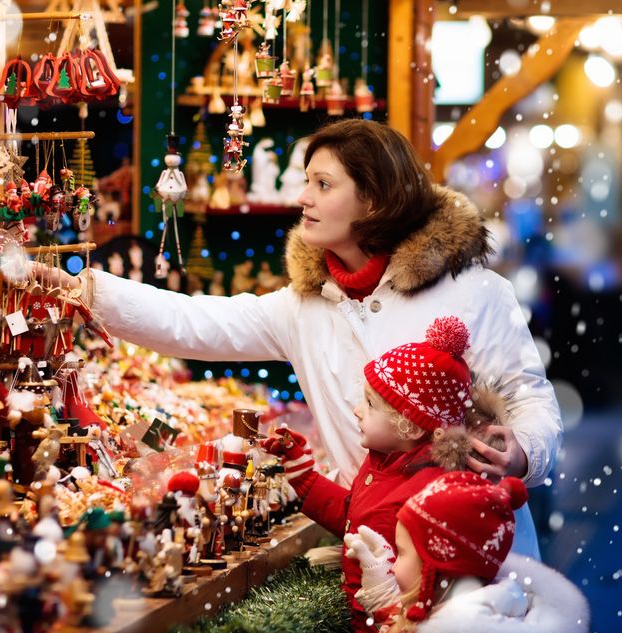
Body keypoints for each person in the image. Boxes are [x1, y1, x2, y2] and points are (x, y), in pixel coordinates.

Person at [31, 119, 562, 557]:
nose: (301, 197)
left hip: (477, 550)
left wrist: (524, 451)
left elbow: (528, 399)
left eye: (323, 185)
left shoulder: (474, 293)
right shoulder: (303, 306)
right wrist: (87, 290)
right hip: (376, 552)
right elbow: (192, 321)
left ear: (374, 200)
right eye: (306, 180)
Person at [262, 316, 503, 633]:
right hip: (367, 624)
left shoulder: (427, 496)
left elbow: (416, 599)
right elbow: (355, 518)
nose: (358, 411)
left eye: (371, 404)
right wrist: (303, 475)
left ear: (410, 425)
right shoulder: (384, 463)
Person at [356, 472, 589, 633]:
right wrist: (383, 593)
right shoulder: (498, 607)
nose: (395, 564)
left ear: (437, 566)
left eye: (402, 552)